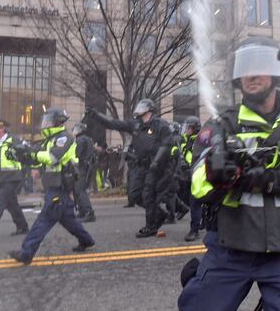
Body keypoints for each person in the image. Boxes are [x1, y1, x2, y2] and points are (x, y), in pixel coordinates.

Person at [179, 37, 280, 311]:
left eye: (260, 66)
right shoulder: (221, 125)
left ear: (279, 72)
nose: (251, 74)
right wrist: (218, 177)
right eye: (245, 67)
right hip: (230, 246)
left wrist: (275, 181)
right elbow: (196, 182)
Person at [8, 108, 95, 264]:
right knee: (69, 220)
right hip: (54, 186)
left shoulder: (64, 138)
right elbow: (36, 159)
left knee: (44, 220)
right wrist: (19, 156)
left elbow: (52, 157)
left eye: (48, 120)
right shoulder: (49, 140)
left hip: (60, 186)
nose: (45, 123)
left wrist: (29, 151)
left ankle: (26, 252)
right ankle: (87, 240)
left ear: (58, 122)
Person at [87, 99, 172, 238]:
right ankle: (159, 213)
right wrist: (96, 115)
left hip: (154, 166)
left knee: (148, 194)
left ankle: (151, 226)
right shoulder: (135, 125)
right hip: (140, 166)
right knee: (134, 195)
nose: (139, 109)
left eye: (142, 107)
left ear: (150, 110)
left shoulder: (160, 125)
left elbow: (166, 145)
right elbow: (114, 124)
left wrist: (156, 162)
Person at [171, 116, 203, 242]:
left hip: (198, 175)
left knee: (194, 202)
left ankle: (194, 230)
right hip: (187, 176)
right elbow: (180, 152)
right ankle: (202, 221)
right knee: (187, 199)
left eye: (188, 127)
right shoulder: (186, 140)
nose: (186, 130)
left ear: (195, 128)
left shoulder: (201, 140)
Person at [73, 122, 96, 222]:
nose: (73, 130)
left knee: (80, 190)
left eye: (75, 128)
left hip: (82, 167)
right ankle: (83, 212)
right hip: (88, 167)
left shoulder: (80, 140)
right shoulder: (87, 139)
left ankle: (88, 212)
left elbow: (76, 154)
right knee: (79, 189)